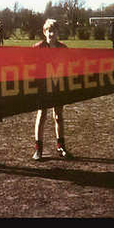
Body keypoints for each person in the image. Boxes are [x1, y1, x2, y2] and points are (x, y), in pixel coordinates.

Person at [32, 19, 73, 161]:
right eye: (49, 31)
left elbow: (70, 66)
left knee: (58, 115)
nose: (52, 34)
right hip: (43, 87)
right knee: (42, 114)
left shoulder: (63, 48)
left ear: (58, 33)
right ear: (44, 32)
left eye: (54, 31)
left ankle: (61, 146)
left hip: (58, 86)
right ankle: (38, 148)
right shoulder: (38, 47)